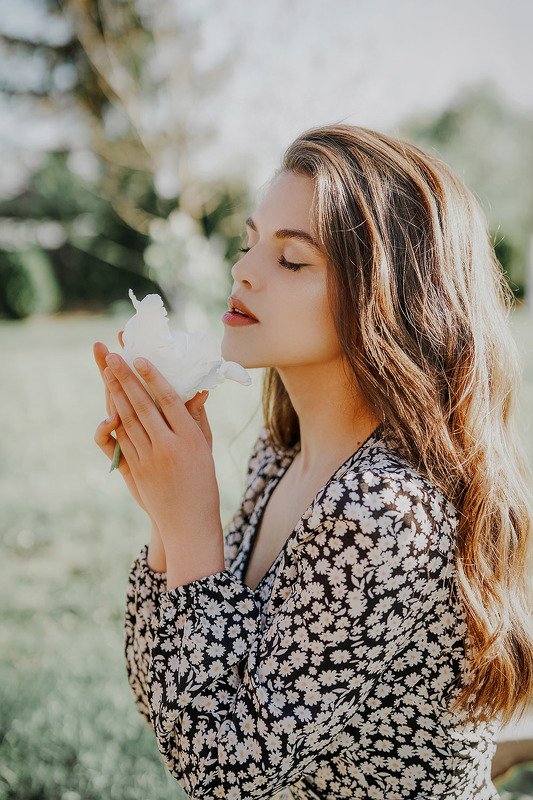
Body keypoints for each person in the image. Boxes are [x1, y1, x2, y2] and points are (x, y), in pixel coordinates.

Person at [93, 123, 533, 800]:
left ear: (390, 301)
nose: (242, 269)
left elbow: (224, 773)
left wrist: (189, 528)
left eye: (291, 260)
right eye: (249, 243)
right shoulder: (285, 454)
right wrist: (164, 511)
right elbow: (176, 701)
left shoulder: (383, 510)